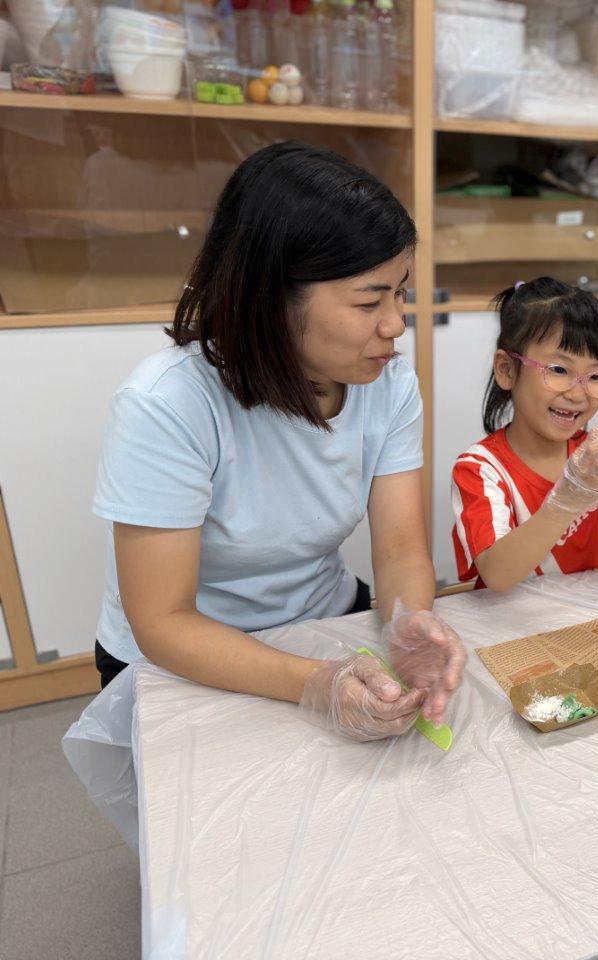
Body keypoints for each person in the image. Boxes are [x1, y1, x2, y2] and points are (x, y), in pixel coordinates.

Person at [93, 141, 465, 743]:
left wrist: (410, 623)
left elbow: (400, 552)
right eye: (369, 301)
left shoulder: (388, 382)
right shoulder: (167, 404)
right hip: (188, 651)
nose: (396, 323)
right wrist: (316, 683)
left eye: (401, 292)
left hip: (321, 619)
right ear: (270, 299)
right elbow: (163, 621)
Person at [451, 277, 598, 592]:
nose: (577, 393)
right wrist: (568, 499)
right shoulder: (480, 468)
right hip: (514, 621)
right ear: (506, 370)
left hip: (591, 615)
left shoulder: (596, 459)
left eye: (596, 376)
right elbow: (497, 576)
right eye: (558, 370)